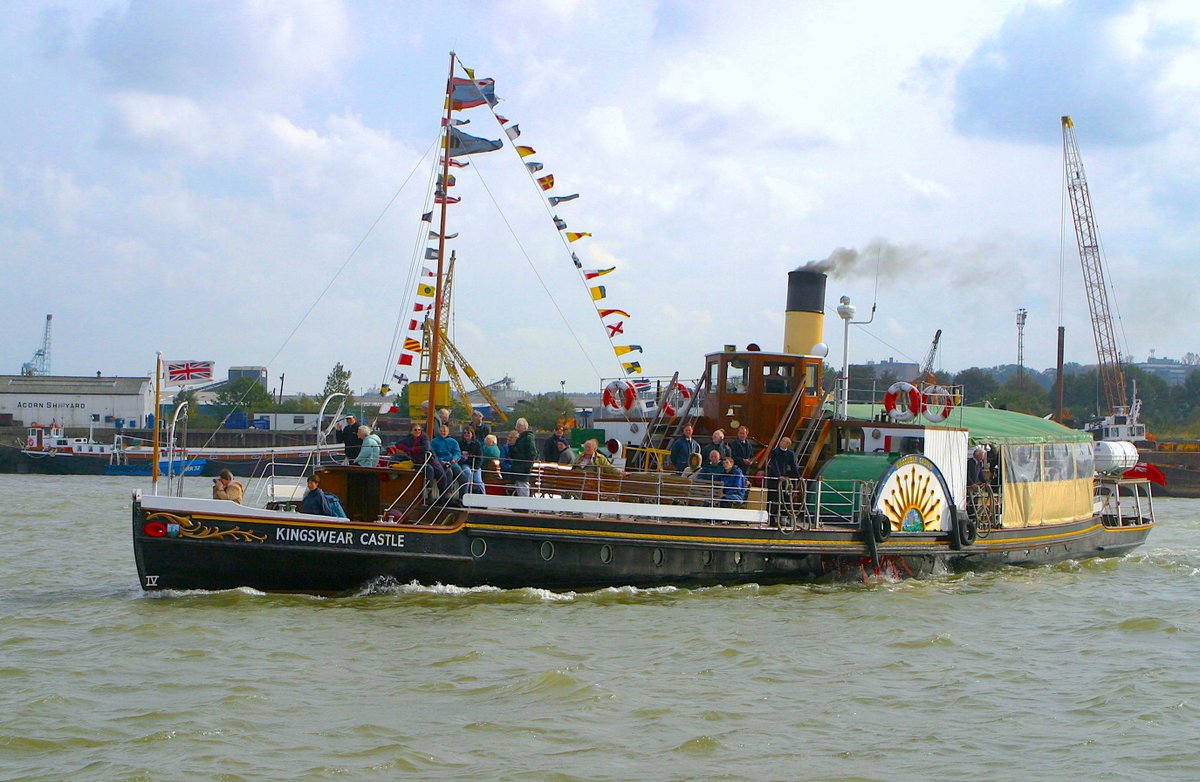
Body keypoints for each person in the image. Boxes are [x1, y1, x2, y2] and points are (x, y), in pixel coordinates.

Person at [397, 423, 451, 496]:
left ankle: (442, 496)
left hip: (430, 459)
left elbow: (426, 448)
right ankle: (429, 493)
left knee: (441, 474)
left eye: (419, 430)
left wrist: (411, 449)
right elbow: (398, 444)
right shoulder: (409, 438)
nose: (417, 431)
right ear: (411, 431)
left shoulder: (424, 437)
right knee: (429, 469)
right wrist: (405, 449)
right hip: (418, 461)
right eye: (415, 430)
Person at [766, 436, 801, 516]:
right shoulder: (775, 451)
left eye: (784, 441)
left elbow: (793, 466)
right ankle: (771, 517)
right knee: (773, 497)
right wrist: (778, 475)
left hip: (784, 478)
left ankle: (783, 516)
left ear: (788, 444)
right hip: (774, 478)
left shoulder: (790, 454)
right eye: (782, 440)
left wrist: (799, 477)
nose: (782, 442)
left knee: (785, 498)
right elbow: (774, 464)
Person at [432, 424, 467, 496]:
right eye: (441, 431)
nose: (443, 433)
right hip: (441, 463)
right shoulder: (434, 442)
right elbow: (433, 454)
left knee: (463, 477)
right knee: (449, 472)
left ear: (448, 432)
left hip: (452, 462)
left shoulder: (453, 441)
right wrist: (440, 461)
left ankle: (462, 497)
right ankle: (448, 494)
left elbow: (457, 452)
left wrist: (454, 459)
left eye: (444, 431)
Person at [508, 418, 538, 497]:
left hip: (523, 467)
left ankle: (524, 506)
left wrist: (527, 467)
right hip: (519, 467)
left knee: (523, 486)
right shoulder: (521, 438)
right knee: (519, 485)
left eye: (518, 426)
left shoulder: (527, 438)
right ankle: (520, 506)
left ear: (524, 427)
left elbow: (532, 454)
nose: (516, 428)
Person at [457, 425, 485, 495]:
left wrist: (475, 468)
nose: (466, 434)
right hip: (465, 464)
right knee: (468, 475)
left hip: (475, 465)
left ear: (472, 434)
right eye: (465, 433)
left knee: (478, 481)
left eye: (468, 433)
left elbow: (479, 457)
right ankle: (465, 495)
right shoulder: (460, 443)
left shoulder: (477, 444)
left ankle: (483, 498)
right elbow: (457, 455)